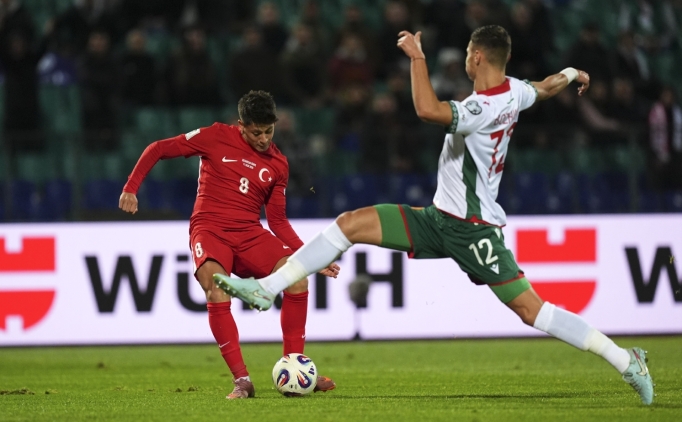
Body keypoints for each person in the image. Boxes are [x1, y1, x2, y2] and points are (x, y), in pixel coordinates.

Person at [214, 26, 655, 406]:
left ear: (477, 57)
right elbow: (544, 86)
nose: (464, 57)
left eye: (466, 51)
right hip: (437, 219)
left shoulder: (482, 109)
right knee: (350, 224)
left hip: (472, 230)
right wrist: (573, 73)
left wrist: (417, 58)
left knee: (531, 311)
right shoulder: (515, 92)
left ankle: (625, 359)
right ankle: (266, 289)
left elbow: (427, 110)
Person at [119, 90, 339, 399]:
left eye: (269, 131)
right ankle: (242, 380)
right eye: (256, 132)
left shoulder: (279, 164)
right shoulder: (214, 136)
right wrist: (131, 188)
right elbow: (158, 148)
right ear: (241, 125)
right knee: (216, 287)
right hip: (209, 229)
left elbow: (277, 222)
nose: (264, 139)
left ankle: (294, 370)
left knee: (297, 279)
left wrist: (313, 256)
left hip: (249, 233)